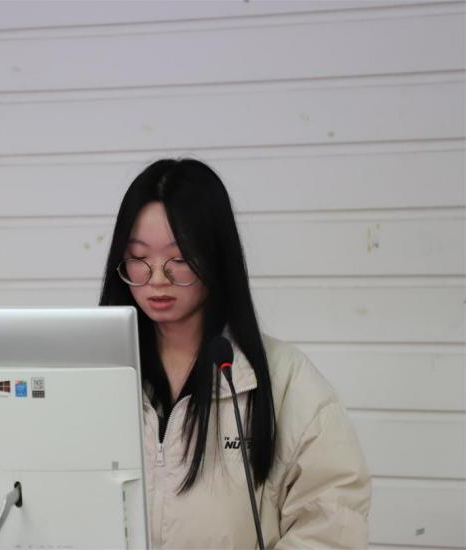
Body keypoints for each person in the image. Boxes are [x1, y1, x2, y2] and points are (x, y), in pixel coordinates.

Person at [99, 159, 371, 549]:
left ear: (215, 255)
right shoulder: (98, 378)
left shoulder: (285, 381)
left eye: (179, 259)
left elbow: (332, 520)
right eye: (139, 258)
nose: (157, 278)